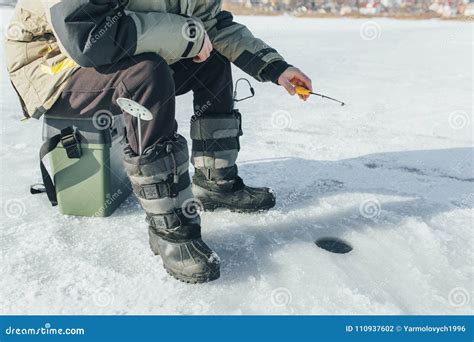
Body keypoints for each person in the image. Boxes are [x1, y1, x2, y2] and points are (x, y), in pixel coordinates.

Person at [5, 0, 313, 283]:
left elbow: (212, 27)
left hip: (119, 48)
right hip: (54, 64)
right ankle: (169, 227)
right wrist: (188, 35)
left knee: (212, 60)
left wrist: (276, 68)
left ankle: (215, 182)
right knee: (144, 76)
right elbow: (84, 36)